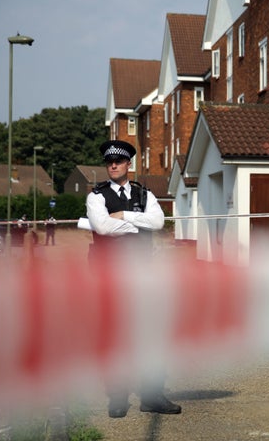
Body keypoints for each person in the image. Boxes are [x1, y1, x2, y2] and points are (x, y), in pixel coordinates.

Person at [86, 140, 181, 418]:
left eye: (118, 161)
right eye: (109, 162)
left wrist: (124, 216)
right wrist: (136, 223)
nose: (113, 165)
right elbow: (102, 227)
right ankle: (117, 397)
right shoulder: (96, 196)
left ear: (129, 164)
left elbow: (158, 222)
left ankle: (152, 396)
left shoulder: (144, 193)